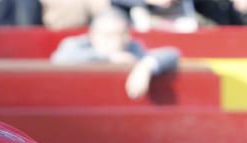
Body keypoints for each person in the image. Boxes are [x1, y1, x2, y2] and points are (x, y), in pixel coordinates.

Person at [50, 9, 180, 99]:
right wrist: (108, 58)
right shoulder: (75, 44)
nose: (116, 41)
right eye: (108, 35)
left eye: (121, 34)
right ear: (93, 35)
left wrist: (145, 66)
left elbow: (172, 54)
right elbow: (59, 60)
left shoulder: (132, 47)